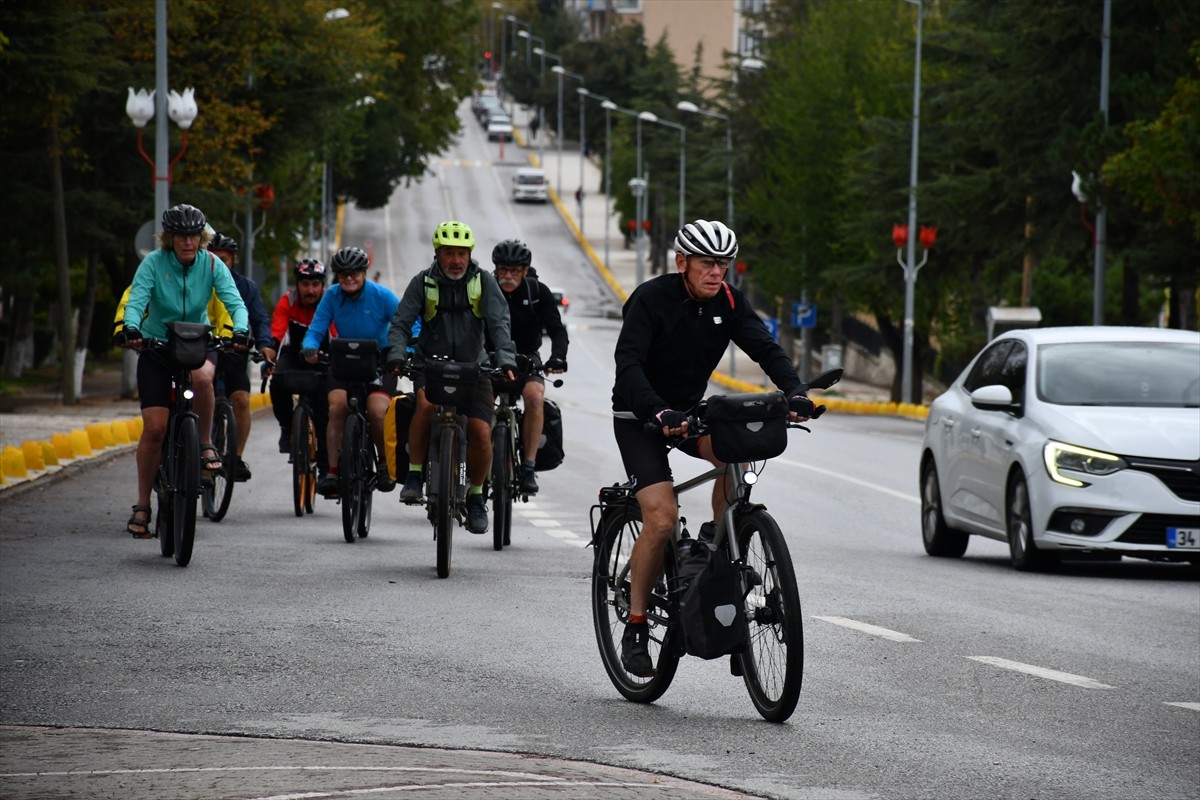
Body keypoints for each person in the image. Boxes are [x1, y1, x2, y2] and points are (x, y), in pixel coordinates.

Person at [610, 219, 818, 678]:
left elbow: (765, 348)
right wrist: (656, 412)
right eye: (707, 263)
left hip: (688, 413)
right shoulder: (650, 300)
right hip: (639, 417)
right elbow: (628, 366)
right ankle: (638, 626)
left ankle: (716, 537)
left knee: (735, 450)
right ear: (682, 262)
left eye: (723, 264)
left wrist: (794, 390)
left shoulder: (728, 302)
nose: (716, 272)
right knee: (661, 519)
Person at [119, 204, 250, 538]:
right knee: (155, 429)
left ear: (201, 237)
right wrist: (132, 327)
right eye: (181, 236)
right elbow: (136, 300)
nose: (188, 242)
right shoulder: (153, 263)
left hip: (194, 343)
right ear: (170, 238)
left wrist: (240, 330)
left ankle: (205, 443)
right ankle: (143, 503)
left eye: (193, 235)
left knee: (204, 377)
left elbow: (234, 301)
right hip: (157, 347)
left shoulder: (212, 263)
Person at [385, 220, 517, 535]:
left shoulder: (483, 282)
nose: (456, 260)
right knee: (425, 406)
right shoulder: (423, 282)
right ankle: (415, 475)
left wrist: (507, 359)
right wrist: (396, 355)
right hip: (430, 365)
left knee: (480, 431)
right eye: (449, 253)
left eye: (462, 253)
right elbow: (401, 323)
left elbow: (499, 325)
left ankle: (474, 496)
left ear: (470, 255)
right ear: (438, 254)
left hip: (475, 368)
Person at [301, 246, 400, 496]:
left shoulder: (382, 296)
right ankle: (333, 471)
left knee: (378, 411)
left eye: (354, 273)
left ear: (364, 272)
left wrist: (408, 347)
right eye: (343, 273)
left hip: (379, 359)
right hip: (345, 359)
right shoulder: (332, 296)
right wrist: (310, 347)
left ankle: (383, 464)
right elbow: (316, 328)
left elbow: (406, 322)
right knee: (337, 408)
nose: (349, 278)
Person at [489, 238, 568, 494]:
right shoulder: (484, 289)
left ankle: (528, 468)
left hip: (526, 358)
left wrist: (557, 358)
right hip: (489, 358)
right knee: (476, 403)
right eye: (503, 270)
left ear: (525, 271)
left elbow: (557, 330)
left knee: (535, 398)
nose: (508, 276)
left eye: (514, 271)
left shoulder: (537, 292)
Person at [208, 233, 275, 482]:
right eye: (213, 258)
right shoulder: (196, 282)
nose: (218, 264)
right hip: (201, 353)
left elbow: (259, 319)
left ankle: (234, 458)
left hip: (234, 352)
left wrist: (266, 345)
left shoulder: (246, 287)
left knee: (242, 400)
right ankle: (197, 446)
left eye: (223, 260)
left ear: (233, 260)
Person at [269, 258, 333, 482]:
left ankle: (325, 470)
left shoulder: (329, 302)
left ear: (323, 285)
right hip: (294, 356)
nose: (310, 290)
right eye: (305, 284)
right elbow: (277, 333)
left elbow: (335, 334)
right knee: (277, 381)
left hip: (324, 358)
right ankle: (287, 427)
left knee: (325, 414)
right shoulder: (288, 301)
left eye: (315, 284)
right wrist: (269, 357)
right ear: (297, 285)